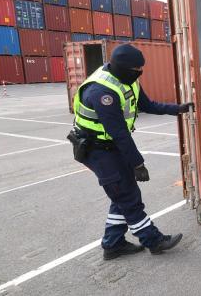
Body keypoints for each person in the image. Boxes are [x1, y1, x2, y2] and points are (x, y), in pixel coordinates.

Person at [71, 44, 192, 260]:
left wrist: (177, 109)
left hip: (111, 147)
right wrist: (138, 164)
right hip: (97, 150)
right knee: (128, 197)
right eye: (136, 69)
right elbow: (119, 134)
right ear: (122, 68)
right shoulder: (102, 92)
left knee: (121, 194)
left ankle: (113, 244)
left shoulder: (127, 79)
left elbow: (148, 104)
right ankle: (153, 241)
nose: (139, 73)